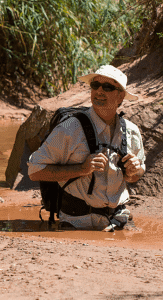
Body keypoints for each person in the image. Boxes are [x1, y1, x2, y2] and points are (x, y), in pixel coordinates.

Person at [27, 65, 145, 231]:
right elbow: (34, 171)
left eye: (108, 87)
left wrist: (135, 171)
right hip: (77, 222)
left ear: (120, 96)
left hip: (119, 219)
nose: (99, 91)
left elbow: (136, 176)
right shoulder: (70, 128)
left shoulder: (132, 131)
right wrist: (81, 169)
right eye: (95, 85)